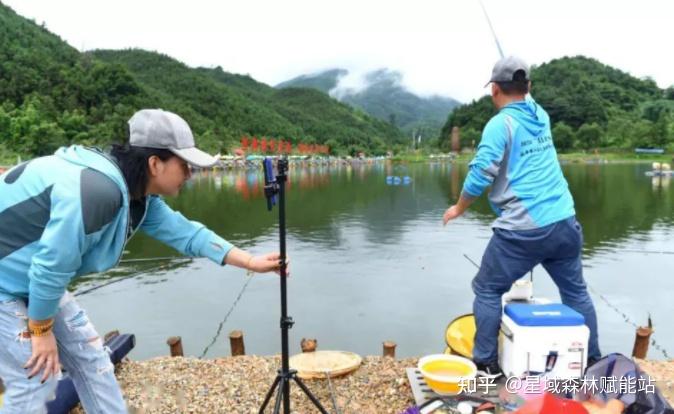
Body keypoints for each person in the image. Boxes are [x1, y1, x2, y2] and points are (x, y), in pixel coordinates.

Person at [0, 109, 284, 413]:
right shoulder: (98, 192)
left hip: (31, 283)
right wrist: (41, 332)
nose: (190, 174)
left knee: (94, 361)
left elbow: (188, 234)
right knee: (36, 381)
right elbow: (50, 268)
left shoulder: (137, 197)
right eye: (185, 165)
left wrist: (251, 261)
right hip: (10, 285)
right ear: (154, 163)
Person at [442, 56, 601, 377]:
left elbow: (480, 174)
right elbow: (526, 96)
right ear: (528, 87)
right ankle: (594, 362)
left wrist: (458, 207)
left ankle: (485, 364)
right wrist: (523, 85)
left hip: (523, 230)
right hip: (565, 222)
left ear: (494, 90)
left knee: (487, 289)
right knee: (576, 293)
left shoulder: (500, 124)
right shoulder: (540, 115)